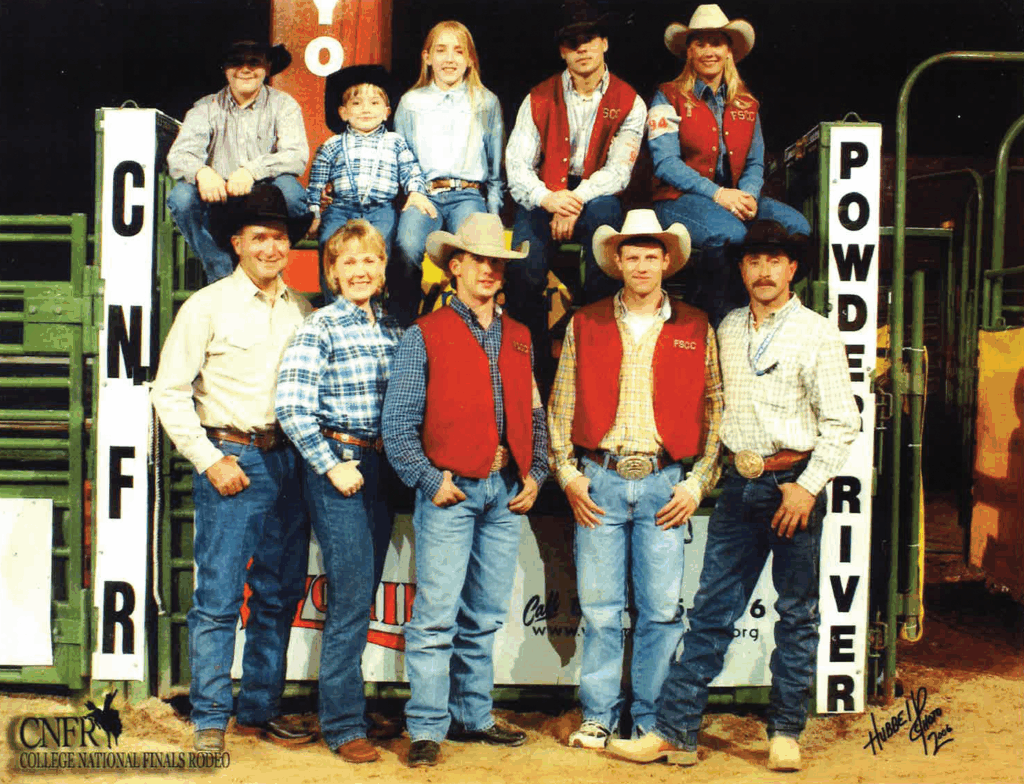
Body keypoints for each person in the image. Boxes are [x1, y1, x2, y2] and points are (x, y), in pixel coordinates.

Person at [605, 220, 859, 772]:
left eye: (775, 261)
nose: (764, 272)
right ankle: (676, 732)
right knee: (712, 613)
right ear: (742, 270)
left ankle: (785, 732)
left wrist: (808, 488)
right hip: (740, 485)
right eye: (753, 262)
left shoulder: (818, 332)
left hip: (794, 486)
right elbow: (716, 416)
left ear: (793, 269)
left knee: (797, 614)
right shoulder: (727, 326)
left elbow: (843, 422)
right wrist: (706, 478)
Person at [547, 208, 723, 748]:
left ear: (667, 261)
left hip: (663, 482)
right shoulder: (587, 320)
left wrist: (698, 483)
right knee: (600, 611)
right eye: (632, 256)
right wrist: (568, 474)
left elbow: (717, 407)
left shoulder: (695, 325)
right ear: (616, 262)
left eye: (652, 256)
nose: (642, 265)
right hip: (599, 480)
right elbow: (561, 403)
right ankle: (598, 715)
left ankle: (649, 719)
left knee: (662, 611)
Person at [150, 183, 317, 753]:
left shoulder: (302, 309)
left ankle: (259, 709)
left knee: (278, 590)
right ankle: (209, 721)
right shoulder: (208, 305)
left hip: (289, 460)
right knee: (219, 596)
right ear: (237, 243)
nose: (272, 248)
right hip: (232, 457)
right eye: (260, 238)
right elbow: (168, 391)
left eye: (280, 239)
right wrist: (209, 458)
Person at [381, 213, 549, 768]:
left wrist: (537, 471)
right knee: (435, 616)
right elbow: (397, 425)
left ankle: (473, 715)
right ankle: (428, 726)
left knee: (483, 615)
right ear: (454, 266)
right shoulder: (423, 334)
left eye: (496, 261)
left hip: (503, 491)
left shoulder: (521, 336)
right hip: (451, 491)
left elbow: (534, 413)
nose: (489, 270)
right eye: (478, 260)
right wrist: (431, 481)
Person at [274, 219, 402, 763]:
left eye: (369, 260)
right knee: (350, 596)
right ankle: (344, 722)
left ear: (382, 269)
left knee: (363, 590)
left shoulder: (395, 331)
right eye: (348, 262)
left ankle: (349, 706)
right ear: (331, 272)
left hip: (379, 469)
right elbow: (292, 407)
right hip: (339, 464)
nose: (360, 270)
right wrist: (331, 465)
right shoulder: (318, 328)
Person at [504, 0, 647, 385]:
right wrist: (549, 199)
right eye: (572, 42)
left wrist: (574, 199)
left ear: (604, 43)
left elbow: (619, 171)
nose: (582, 48)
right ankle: (532, 373)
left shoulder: (630, 100)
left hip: (595, 194)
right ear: (562, 50)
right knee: (525, 268)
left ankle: (595, 360)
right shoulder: (537, 96)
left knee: (604, 239)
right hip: (544, 195)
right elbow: (516, 166)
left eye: (590, 39)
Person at [646, 4, 811, 325]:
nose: (709, 51)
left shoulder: (748, 104)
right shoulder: (667, 96)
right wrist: (720, 195)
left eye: (716, 43)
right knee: (731, 235)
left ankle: (775, 316)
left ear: (729, 51)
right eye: (700, 43)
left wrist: (747, 195)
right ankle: (720, 322)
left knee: (797, 228)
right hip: (678, 200)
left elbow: (754, 163)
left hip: (735, 200)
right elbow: (665, 163)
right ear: (689, 52)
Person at [390, 20, 505, 327]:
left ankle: (470, 330)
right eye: (441, 50)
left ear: (470, 60)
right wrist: (412, 193)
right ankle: (403, 331)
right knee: (407, 246)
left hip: (468, 194)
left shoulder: (485, 101)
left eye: (458, 51)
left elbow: (494, 168)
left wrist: (492, 218)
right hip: (425, 193)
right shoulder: (411, 103)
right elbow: (402, 157)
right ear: (427, 57)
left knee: (475, 255)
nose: (450, 59)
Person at [167, 40, 309, 283]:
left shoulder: (284, 105)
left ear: (267, 66)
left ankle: (269, 262)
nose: (245, 69)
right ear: (224, 68)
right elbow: (179, 155)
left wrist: (252, 171)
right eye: (236, 62)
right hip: (219, 197)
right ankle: (220, 271)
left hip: (266, 195)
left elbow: (296, 154)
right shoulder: (204, 108)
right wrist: (202, 172)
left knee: (293, 195)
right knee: (181, 197)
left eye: (254, 62)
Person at [307, 65, 432, 303]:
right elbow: (316, 184)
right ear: (343, 112)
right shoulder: (332, 145)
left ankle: (372, 305)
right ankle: (333, 304)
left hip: (380, 210)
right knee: (328, 244)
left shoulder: (395, 142)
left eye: (374, 103)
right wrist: (314, 214)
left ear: (386, 112)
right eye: (356, 104)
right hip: (342, 208)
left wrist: (416, 191)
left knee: (377, 248)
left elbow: (411, 170)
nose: (366, 109)